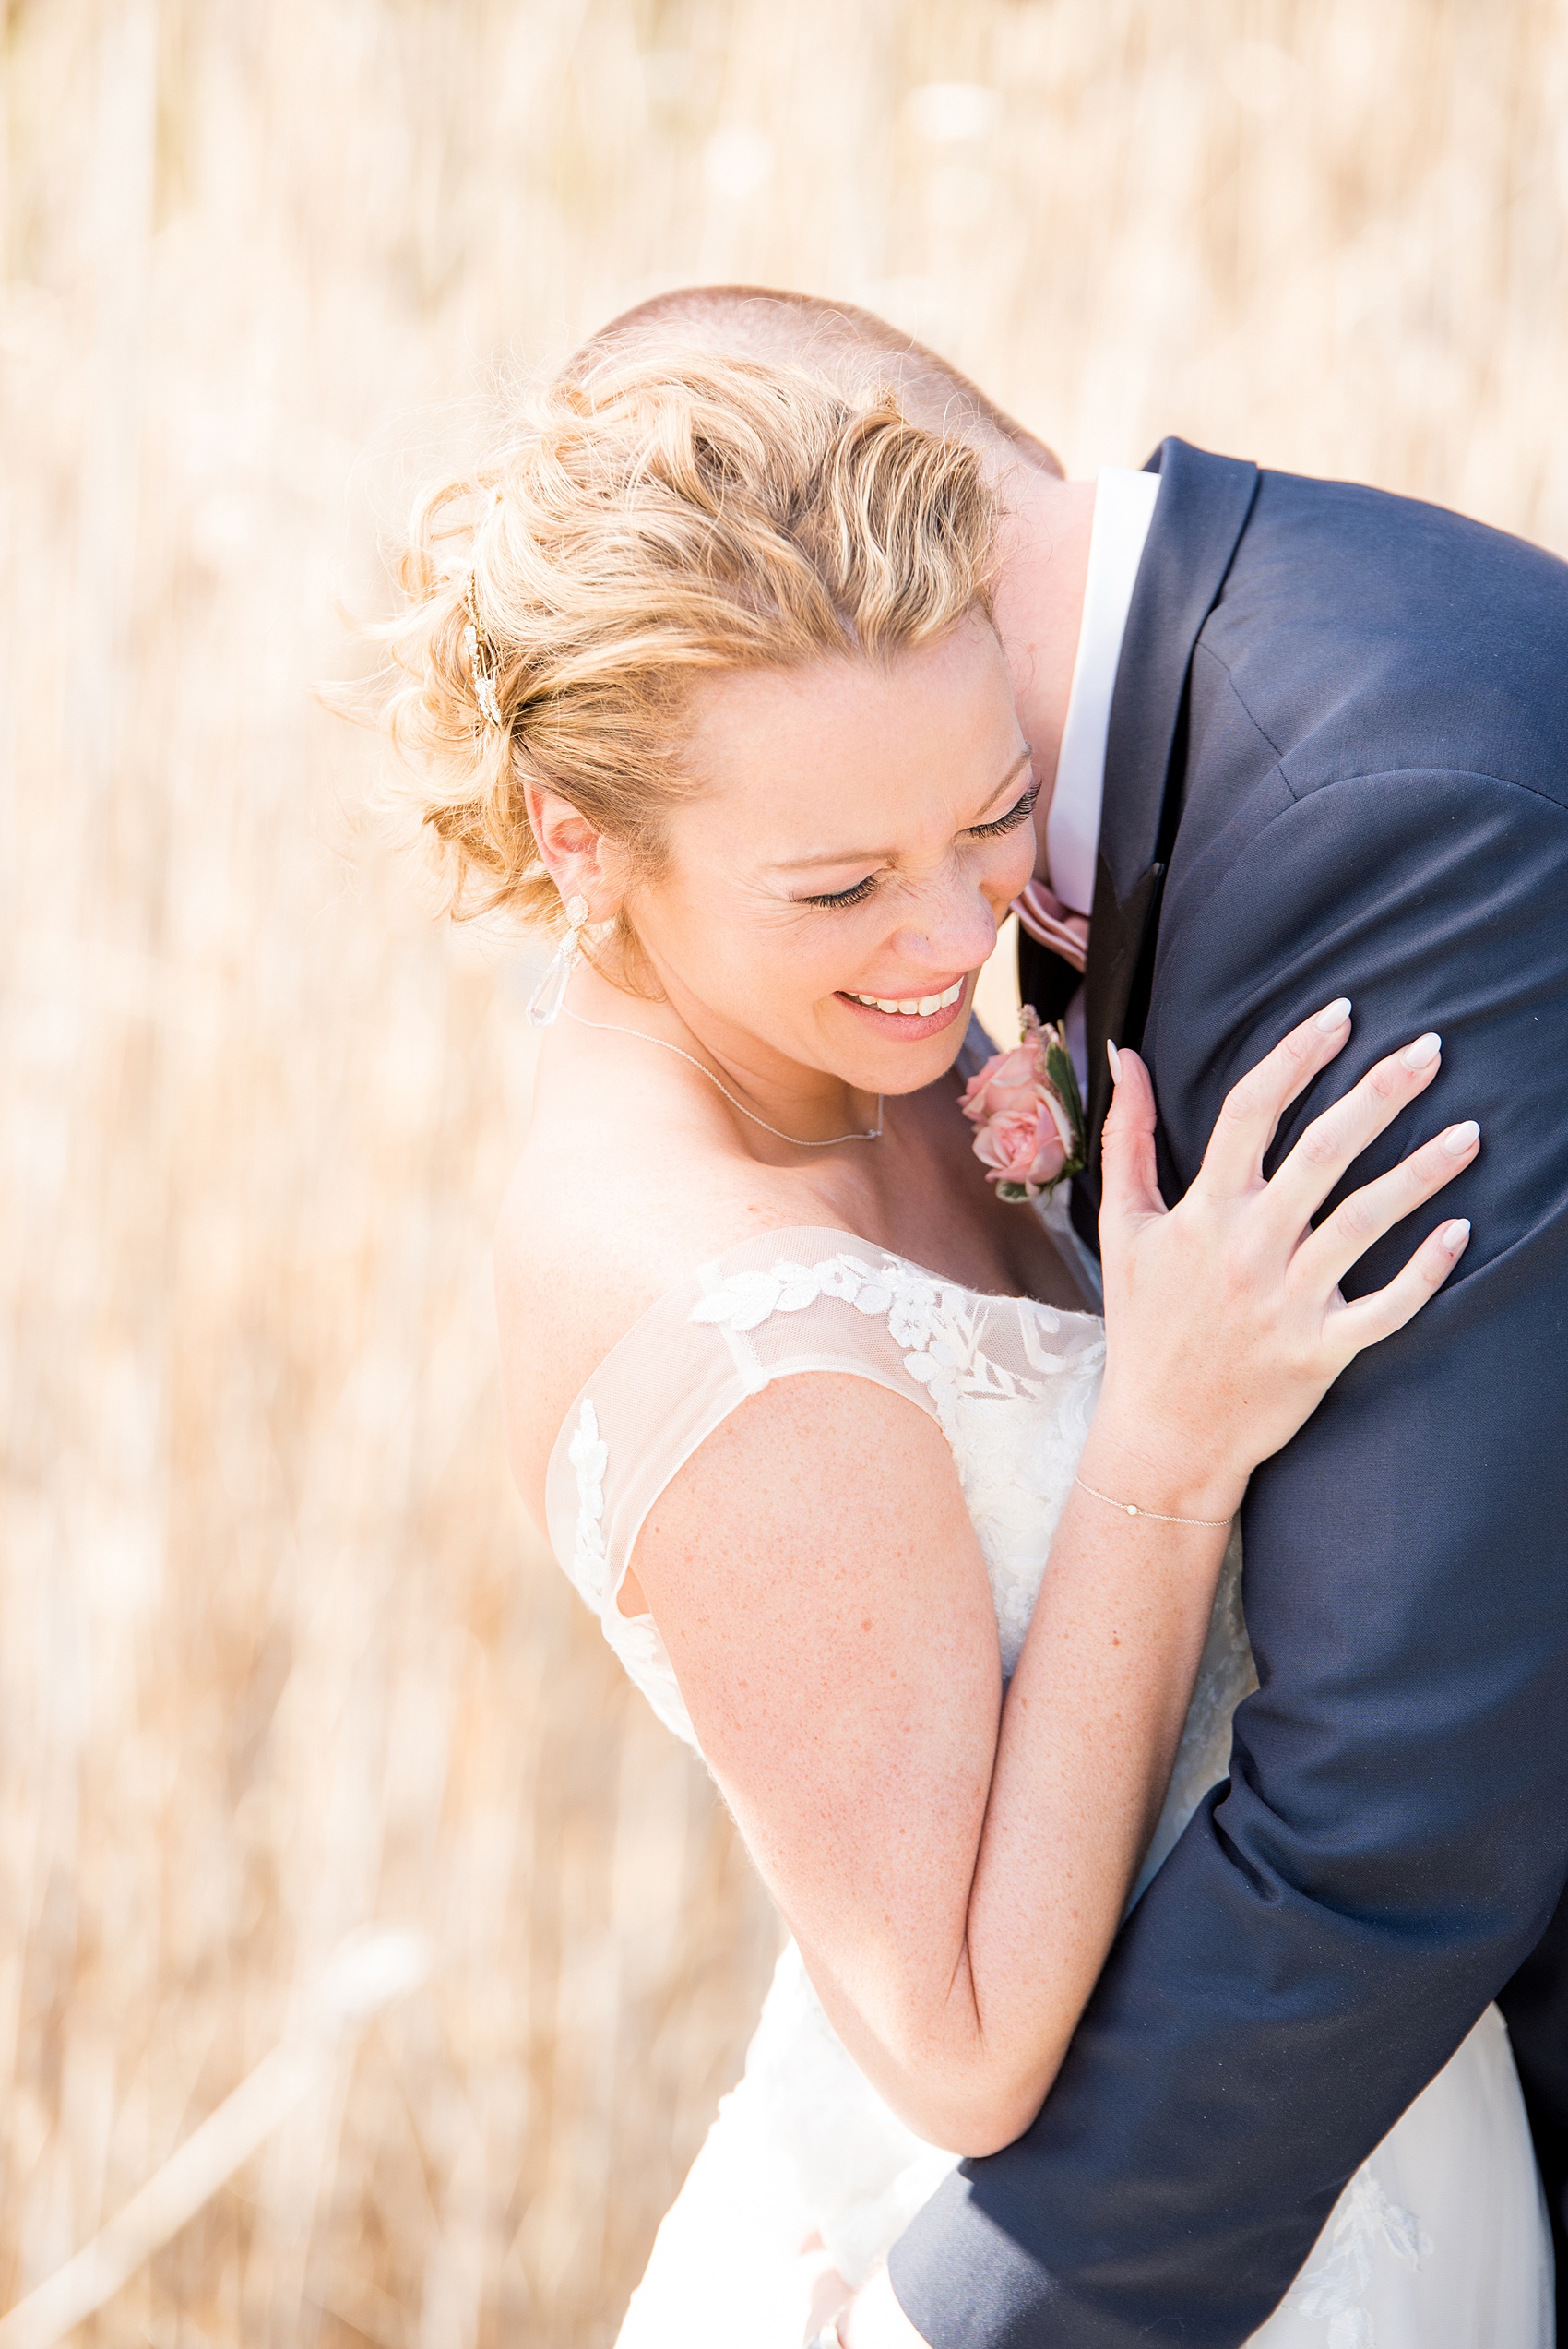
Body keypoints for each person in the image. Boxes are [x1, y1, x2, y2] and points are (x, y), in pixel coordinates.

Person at [372, 331, 1558, 2347]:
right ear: (583, 839)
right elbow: (964, 2039)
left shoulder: (866, 1040)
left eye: (987, 819)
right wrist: (1166, 1448)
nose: (948, 943)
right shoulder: (715, 1320)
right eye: (839, 883)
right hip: (1086, 2235)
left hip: (1344, 2150)